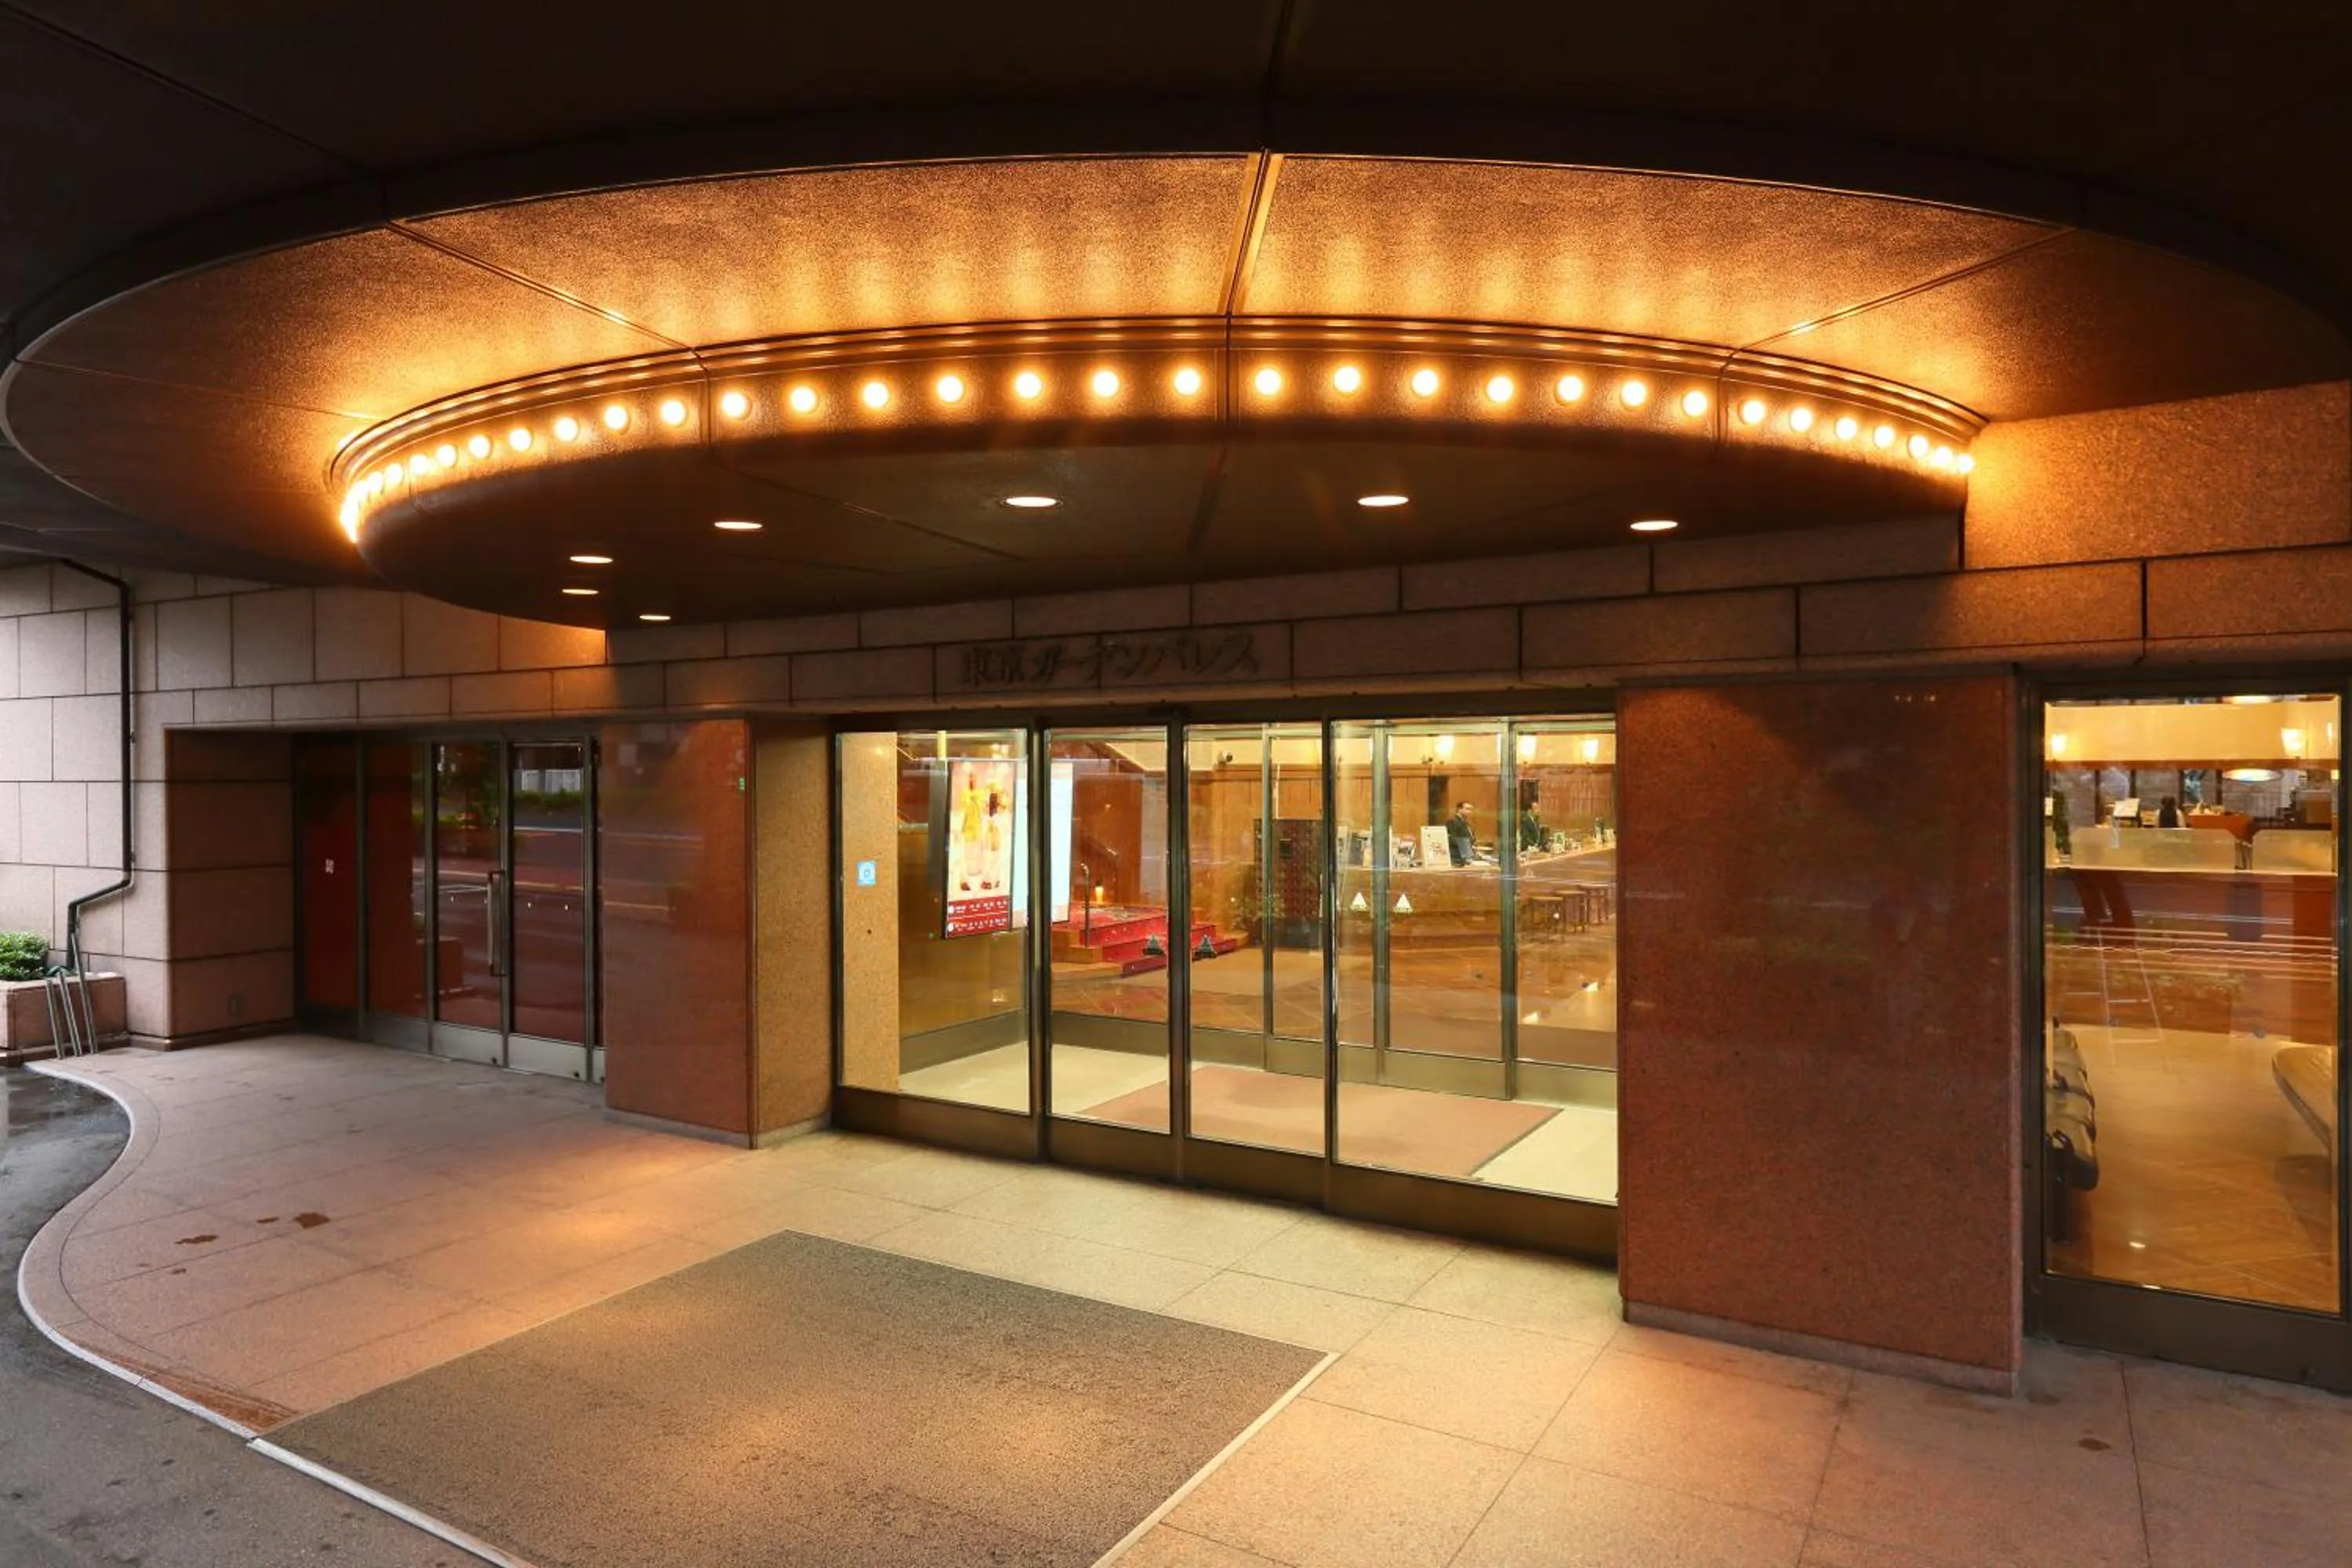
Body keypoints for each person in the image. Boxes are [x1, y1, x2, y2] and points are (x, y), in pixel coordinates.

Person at [1446, 802, 1475, 866]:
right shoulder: (1453, 821)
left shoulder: (1466, 822)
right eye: (1467, 809)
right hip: (1457, 857)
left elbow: (1470, 838)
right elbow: (1452, 839)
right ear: (1459, 810)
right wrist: (1467, 852)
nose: (1470, 812)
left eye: (1471, 810)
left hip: (1466, 855)